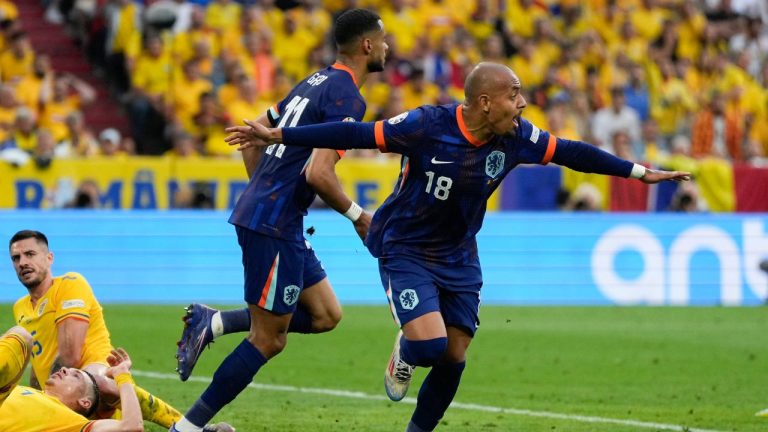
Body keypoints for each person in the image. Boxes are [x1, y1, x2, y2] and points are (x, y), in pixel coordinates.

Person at [225, 62, 691, 432]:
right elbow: (355, 134)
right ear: (485, 102)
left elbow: (574, 153)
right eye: (514, 95)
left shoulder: (517, 138)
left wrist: (638, 171)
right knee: (428, 346)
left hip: (458, 254)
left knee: (455, 355)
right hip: (404, 246)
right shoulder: (428, 125)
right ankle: (405, 353)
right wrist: (281, 135)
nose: (523, 104)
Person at [170, 8, 388, 432]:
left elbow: (253, 135)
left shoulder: (315, 80)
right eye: (382, 40)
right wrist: (359, 216)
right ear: (367, 45)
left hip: (276, 217)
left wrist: (267, 191)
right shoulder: (347, 97)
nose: (386, 47)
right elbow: (317, 174)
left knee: (325, 314)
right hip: (274, 223)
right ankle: (189, 427)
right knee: (269, 338)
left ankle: (215, 321)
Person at [8, 230, 231, 431]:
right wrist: (37, 395)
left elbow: (71, 355)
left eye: (30, 254)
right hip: (63, 388)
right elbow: (38, 360)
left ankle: (190, 427)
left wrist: (49, 395)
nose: (23, 262)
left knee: (102, 380)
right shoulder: (20, 307)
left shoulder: (70, 284)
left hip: (92, 368)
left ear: (49, 257)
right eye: (16, 258)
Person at [0, 324, 144, 432]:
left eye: (76, 376)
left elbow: (131, 426)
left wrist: (122, 375)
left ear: (84, 402)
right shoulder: (26, 391)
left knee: (22, 336)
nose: (64, 369)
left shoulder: (71, 422)